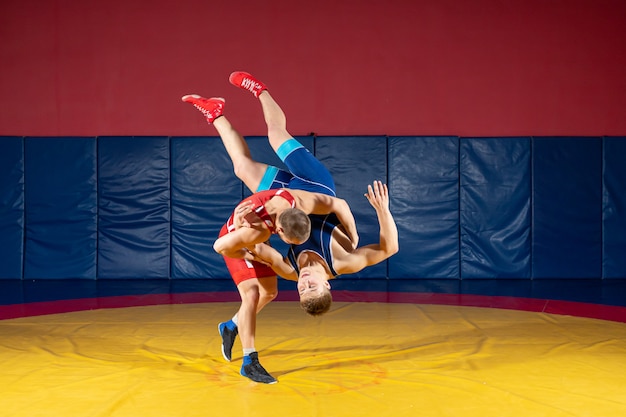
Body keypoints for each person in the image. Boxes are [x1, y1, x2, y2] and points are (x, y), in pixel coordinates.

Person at [182, 71, 398, 383]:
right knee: (276, 135)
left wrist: (250, 238)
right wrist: (377, 215)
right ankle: (260, 90)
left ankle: (215, 113)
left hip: (287, 201)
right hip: (317, 188)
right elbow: (380, 239)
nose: (304, 283)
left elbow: (260, 251)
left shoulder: (291, 270)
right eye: (312, 287)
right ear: (327, 285)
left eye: (300, 290)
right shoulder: (344, 260)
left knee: (242, 168)